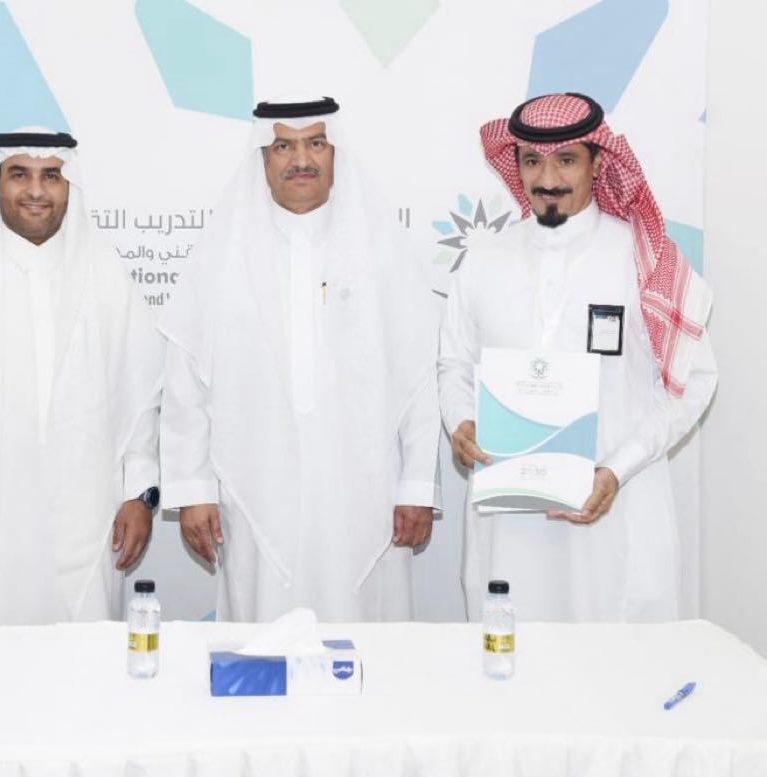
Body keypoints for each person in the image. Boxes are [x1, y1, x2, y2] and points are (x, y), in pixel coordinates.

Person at [159, 97, 441, 622]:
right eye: (283, 147)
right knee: (262, 633)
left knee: (367, 638)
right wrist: (193, 489)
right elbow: (186, 381)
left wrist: (418, 486)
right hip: (257, 489)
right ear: (263, 159)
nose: (301, 160)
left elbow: (420, 379)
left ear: (336, 154)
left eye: (316, 144)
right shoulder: (222, 254)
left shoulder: (382, 249)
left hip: (367, 493)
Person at [439, 92, 718, 621]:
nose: (547, 178)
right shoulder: (484, 260)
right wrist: (460, 420)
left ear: (597, 163)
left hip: (616, 515)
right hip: (509, 526)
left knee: (614, 663)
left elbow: (694, 382)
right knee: (512, 658)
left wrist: (617, 468)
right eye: (531, 161)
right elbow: (454, 364)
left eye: (566, 160)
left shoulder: (644, 259)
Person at [0, 129, 163, 625]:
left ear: (69, 185)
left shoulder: (105, 275)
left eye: (51, 176)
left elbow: (142, 393)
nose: (36, 191)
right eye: (20, 174)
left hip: (85, 512)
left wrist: (139, 495)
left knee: (80, 653)